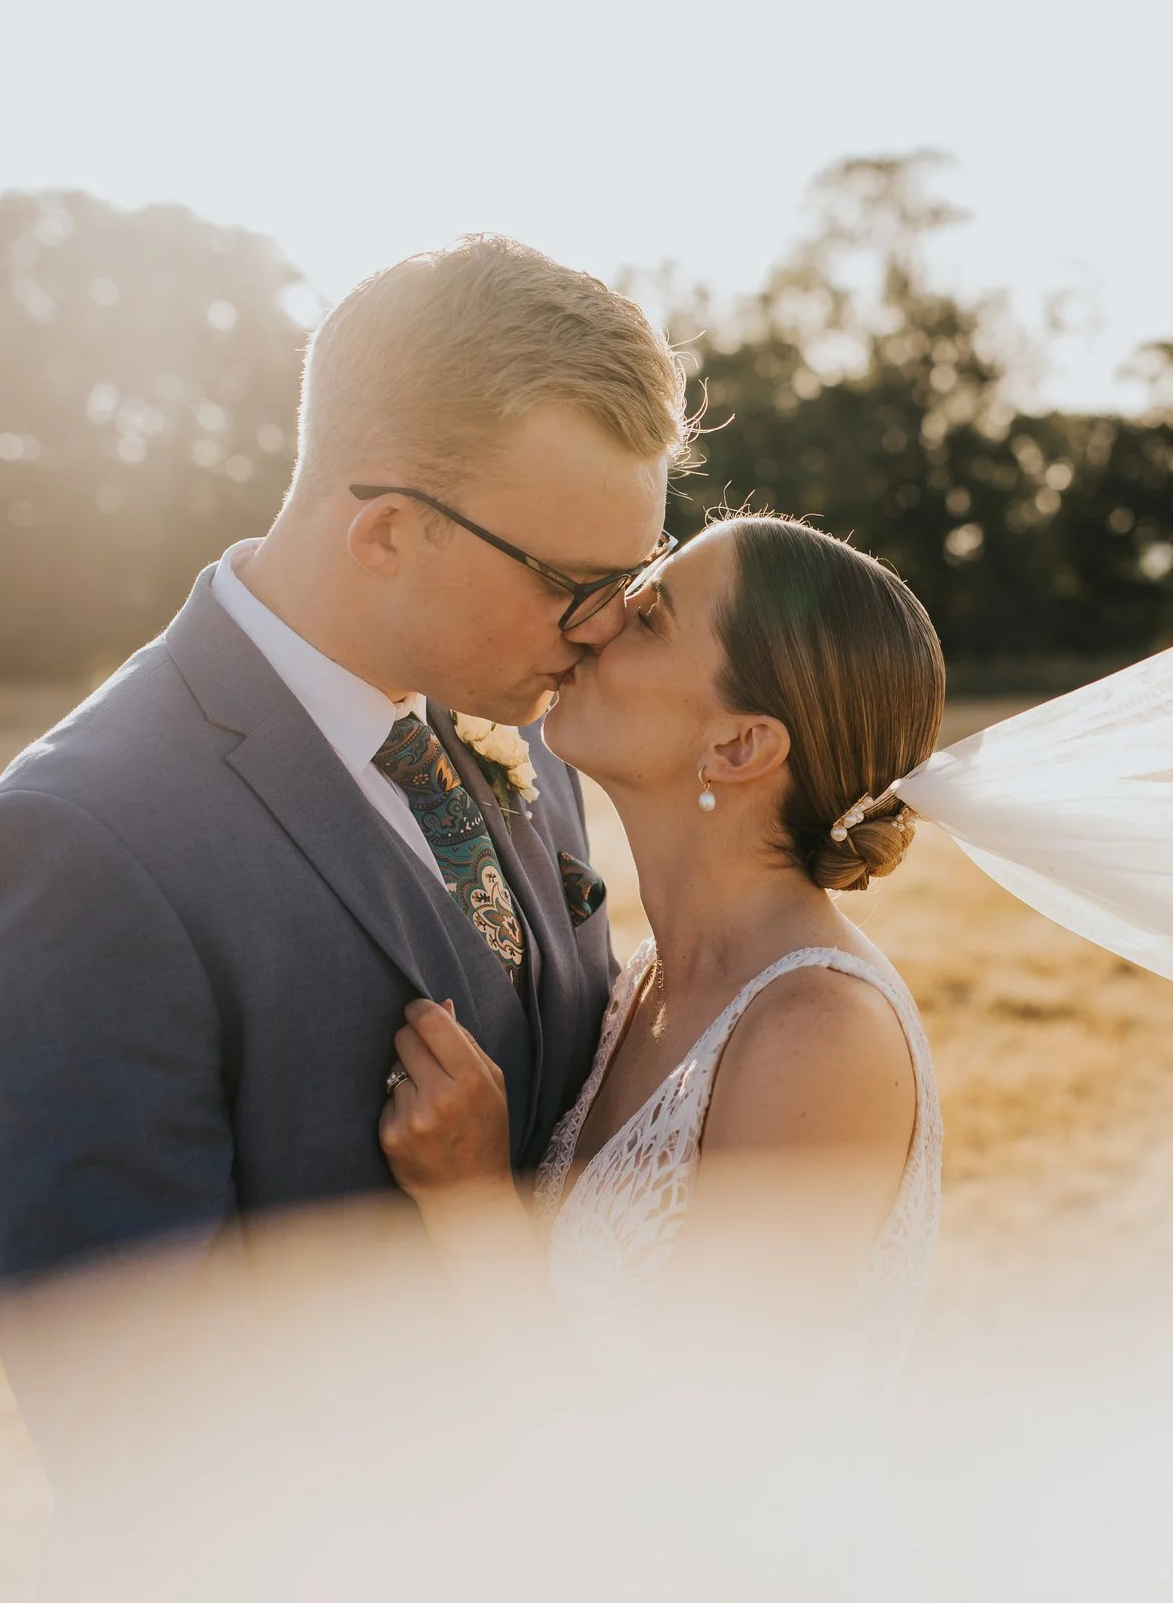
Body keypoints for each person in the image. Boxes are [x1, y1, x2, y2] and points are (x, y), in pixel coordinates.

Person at [0, 234, 688, 1455]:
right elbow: (143, 1423)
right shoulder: (80, 842)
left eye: (632, 577)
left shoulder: (521, 727)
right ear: (388, 531)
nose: (605, 630)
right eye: (572, 581)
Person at [376, 513, 946, 1369]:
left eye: (647, 616)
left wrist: (472, 1203)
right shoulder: (649, 977)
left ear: (739, 744)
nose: (594, 621)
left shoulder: (822, 1036)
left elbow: (694, 1464)